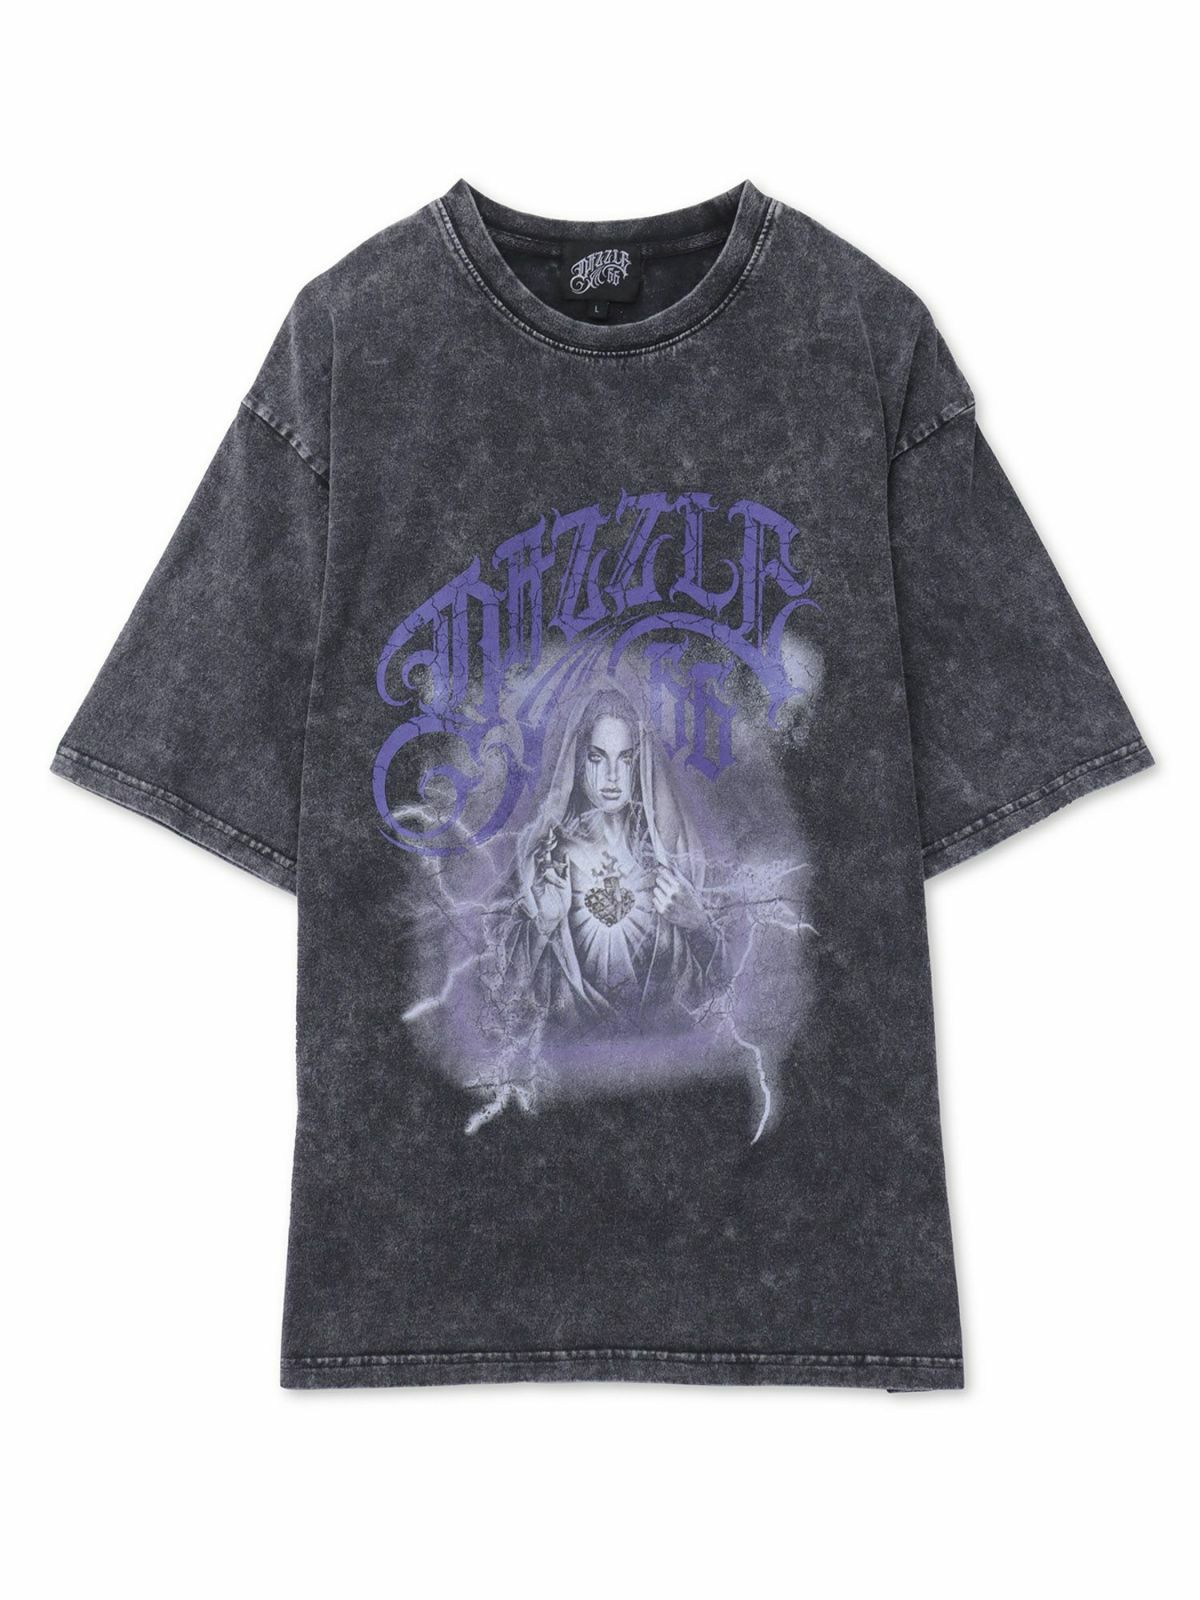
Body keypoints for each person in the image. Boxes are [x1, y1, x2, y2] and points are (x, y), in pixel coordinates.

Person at [496, 683, 725, 1043]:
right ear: (578, 760)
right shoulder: (545, 861)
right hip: (570, 1058)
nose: (612, 776)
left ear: (640, 762)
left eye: (626, 758)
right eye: (597, 757)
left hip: (664, 1055)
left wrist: (700, 926)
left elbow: (728, 987)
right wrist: (543, 924)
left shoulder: (671, 858)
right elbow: (497, 987)